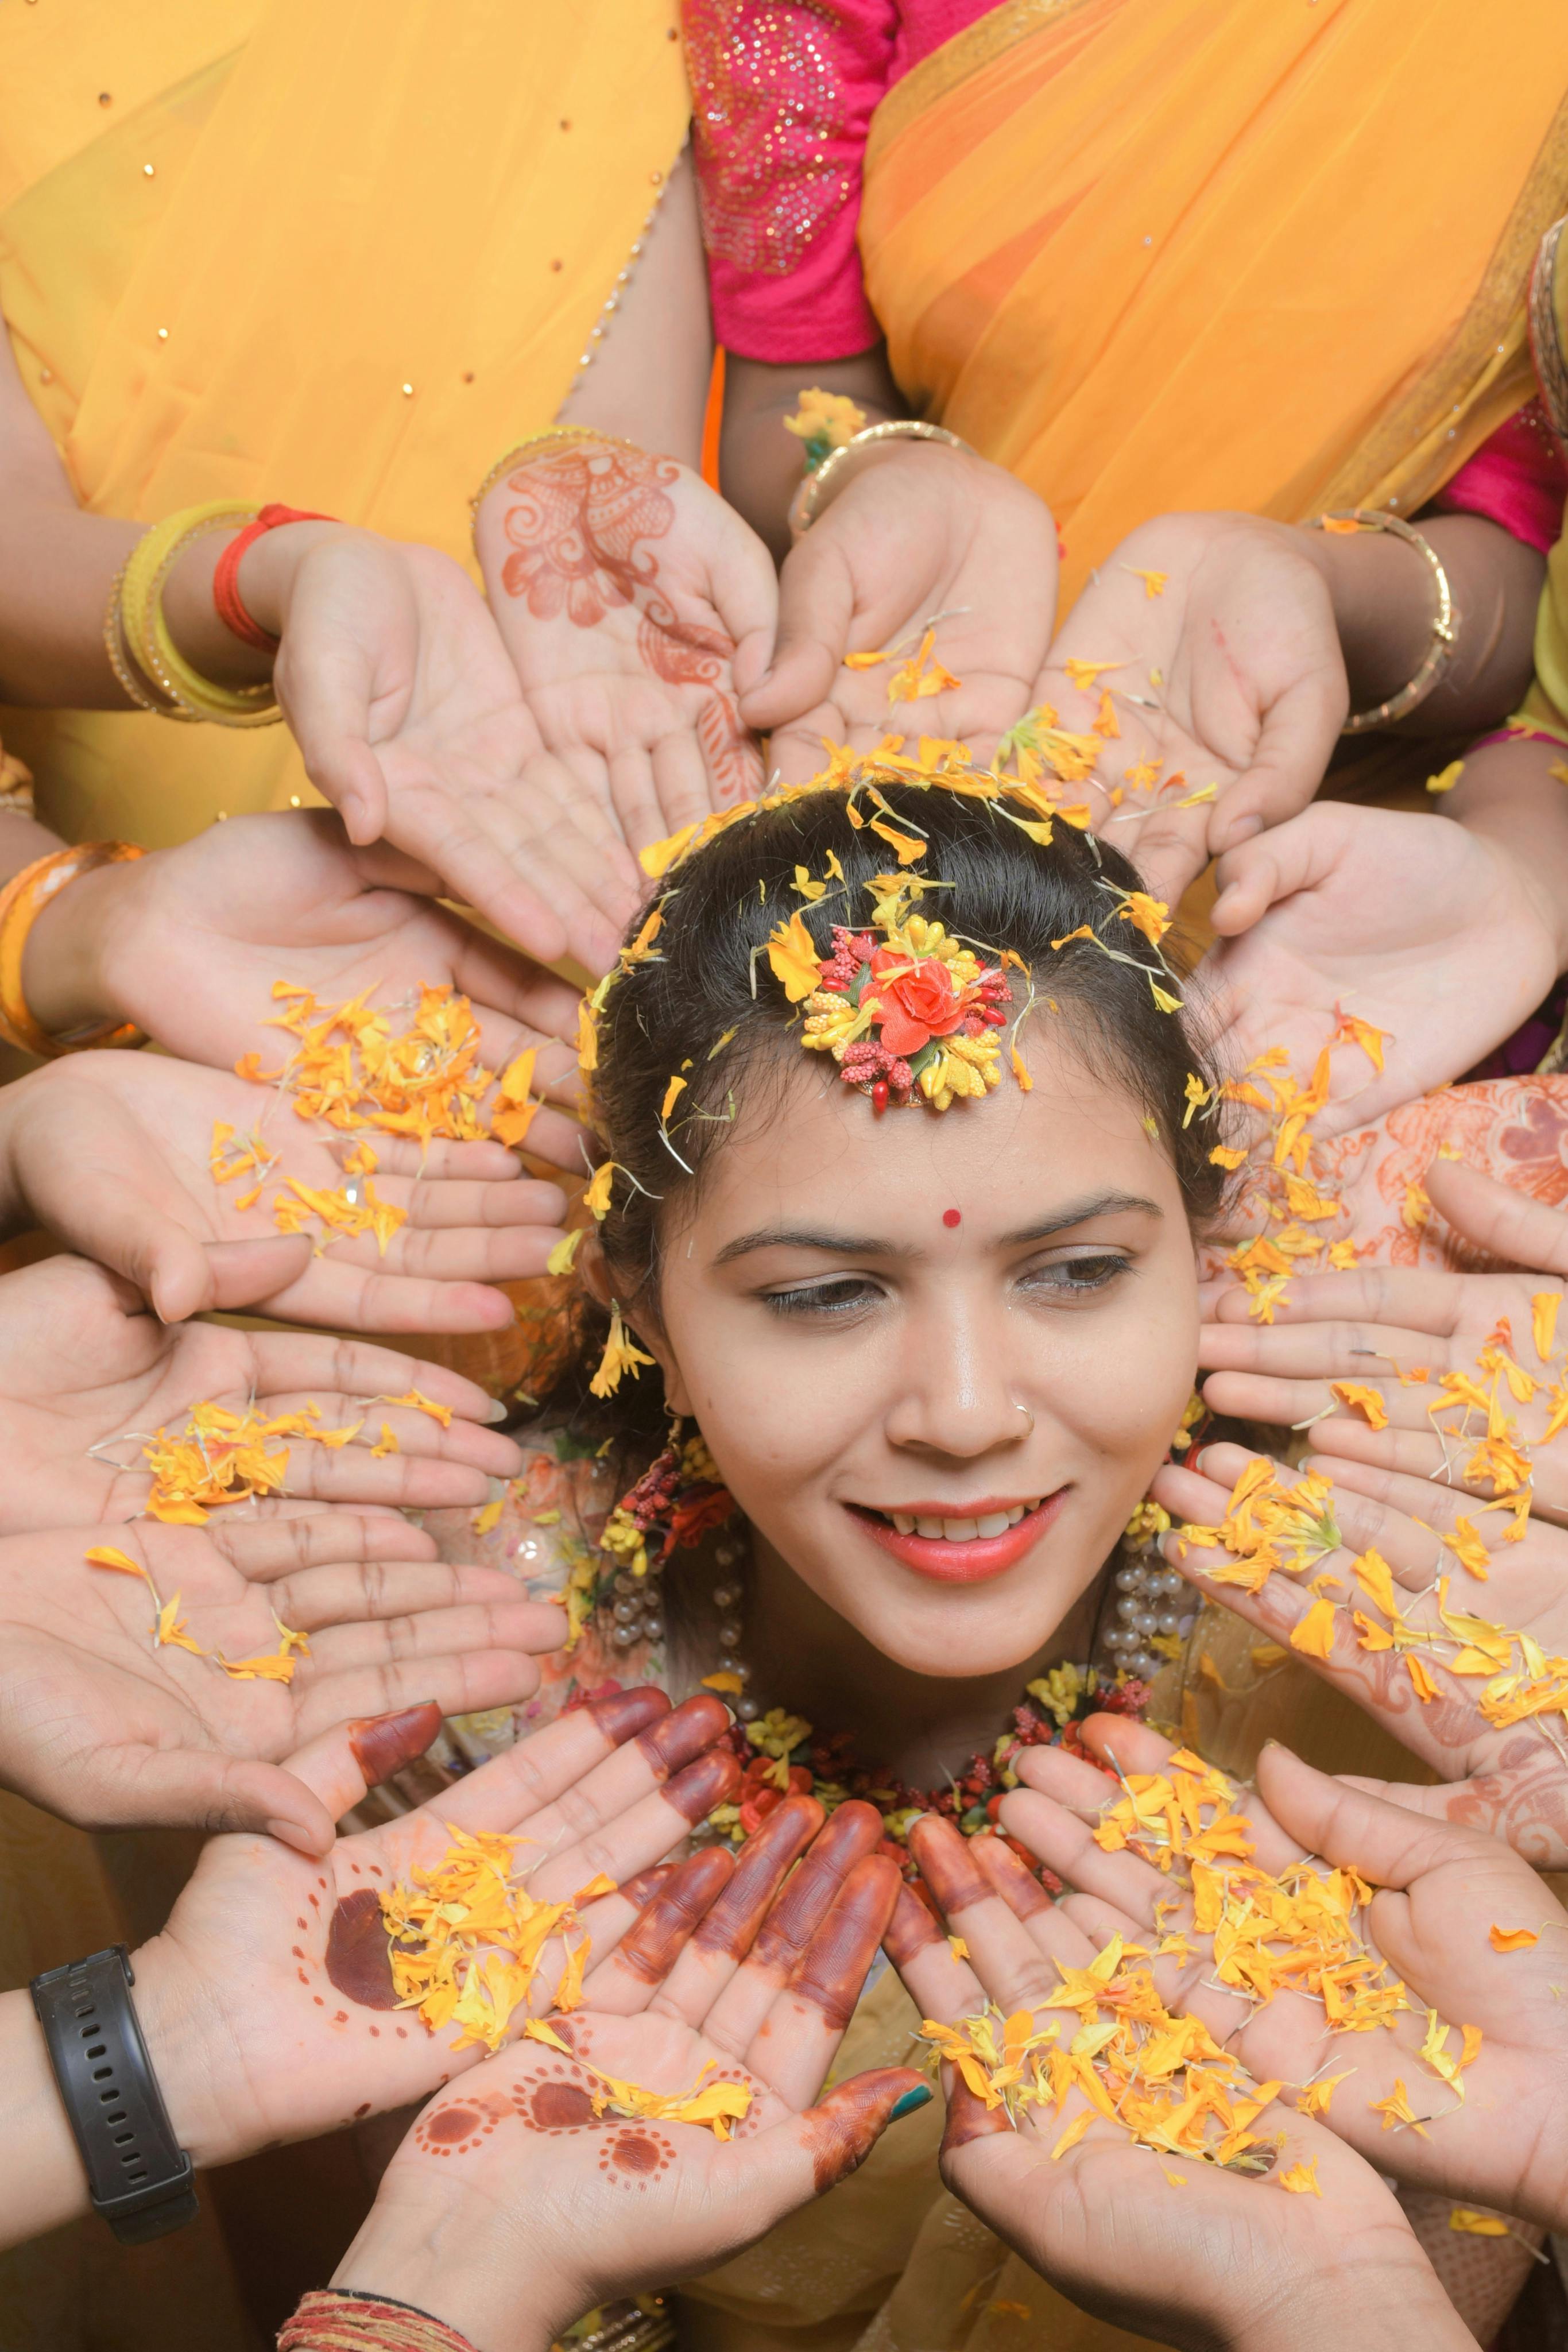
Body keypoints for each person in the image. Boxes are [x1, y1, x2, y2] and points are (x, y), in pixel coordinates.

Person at [399, 748, 1416, 2352]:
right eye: (821, 1295)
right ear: (638, 1306)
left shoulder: (1362, 1663)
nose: (960, 1414)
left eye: (1075, 1273)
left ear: (1207, 1261)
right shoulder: (468, 1659)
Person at [695, 0, 1568, 898]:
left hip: (1313, 870)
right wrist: (877, 470)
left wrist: (1321, 585)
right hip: (890, 734)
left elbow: (1530, 583)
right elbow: (788, 398)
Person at [0, 2, 730, 966]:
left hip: (496, 853)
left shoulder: (623, 30)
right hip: (91, 870)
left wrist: (596, 535)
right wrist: (265, 583)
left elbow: (601, 451)